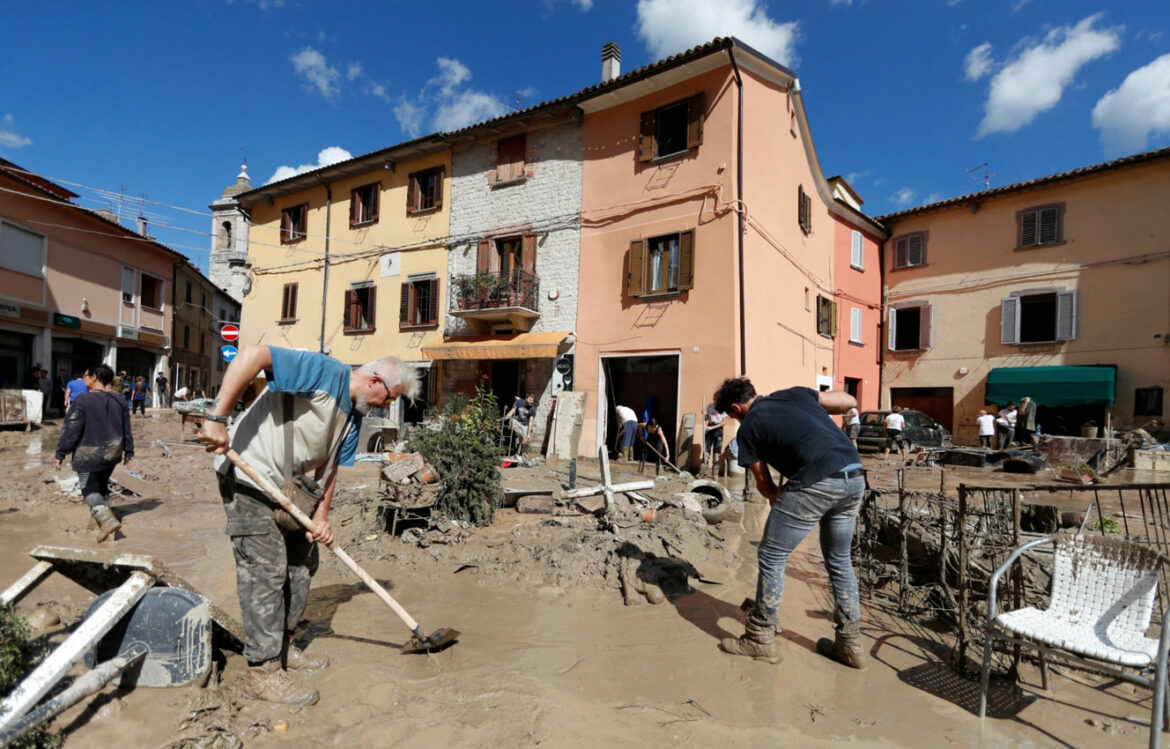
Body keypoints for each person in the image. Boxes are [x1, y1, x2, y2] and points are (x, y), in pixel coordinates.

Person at [196, 344, 418, 706]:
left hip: (291, 490)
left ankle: (284, 648)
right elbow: (251, 355)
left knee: (302, 566)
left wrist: (321, 516)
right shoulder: (322, 370)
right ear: (376, 380)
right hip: (249, 477)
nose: (385, 407)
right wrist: (217, 419)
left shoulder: (353, 417)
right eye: (389, 398)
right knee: (265, 571)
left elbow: (329, 471)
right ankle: (263, 673)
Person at [713, 377, 866, 668]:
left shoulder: (749, 427)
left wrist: (774, 496)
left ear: (735, 407)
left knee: (772, 555)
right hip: (854, 476)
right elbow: (849, 401)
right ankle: (850, 644)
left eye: (731, 415)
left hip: (816, 479)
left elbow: (763, 482)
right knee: (840, 560)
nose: (733, 419)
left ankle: (759, 638)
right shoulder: (795, 394)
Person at [53, 364, 133, 541]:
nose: (84, 378)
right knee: (102, 486)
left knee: (89, 488)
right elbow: (126, 427)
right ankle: (96, 524)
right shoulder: (119, 400)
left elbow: (71, 429)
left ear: (95, 377)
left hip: (88, 453)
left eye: (86, 375)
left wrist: (60, 453)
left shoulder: (82, 400)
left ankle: (105, 520)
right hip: (113, 452)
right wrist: (129, 450)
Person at [503, 393, 536, 457]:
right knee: (512, 421)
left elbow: (531, 421)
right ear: (526, 399)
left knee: (525, 440)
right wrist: (506, 417)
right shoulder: (519, 402)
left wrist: (528, 434)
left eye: (533, 400)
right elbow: (512, 411)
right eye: (530, 400)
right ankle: (521, 436)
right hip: (517, 422)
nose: (531, 402)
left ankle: (521, 453)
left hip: (525, 425)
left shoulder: (533, 409)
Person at [703, 403, 726, 476]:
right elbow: (706, 419)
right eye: (714, 399)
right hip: (709, 428)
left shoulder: (722, 407)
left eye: (716, 399)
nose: (714, 400)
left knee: (717, 451)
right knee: (706, 449)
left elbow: (724, 422)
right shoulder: (710, 406)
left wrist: (712, 428)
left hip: (718, 430)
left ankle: (715, 474)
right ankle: (703, 472)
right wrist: (704, 414)